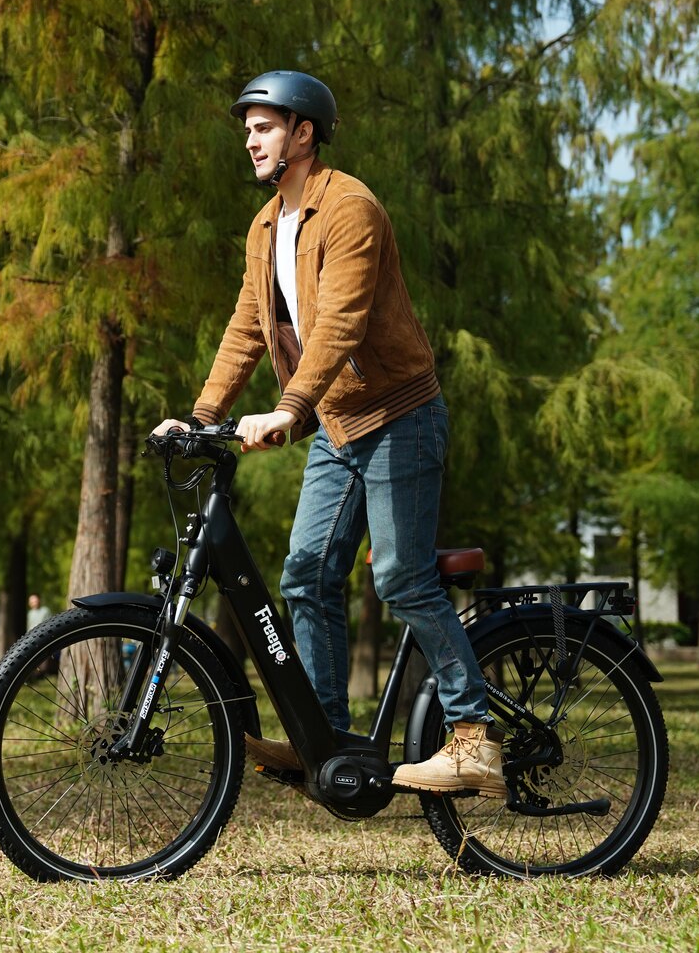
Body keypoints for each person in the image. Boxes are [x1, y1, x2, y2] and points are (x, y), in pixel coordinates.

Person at [152, 70, 504, 797]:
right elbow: (248, 325)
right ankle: (326, 735)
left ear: (303, 133)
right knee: (306, 573)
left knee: (402, 578)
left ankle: (473, 737)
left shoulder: (350, 209)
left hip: (398, 414)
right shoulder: (264, 226)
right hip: (339, 426)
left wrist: (291, 405)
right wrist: (203, 415)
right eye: (246, 128)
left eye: (264, 126)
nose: (249, 139)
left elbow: (341, 320)